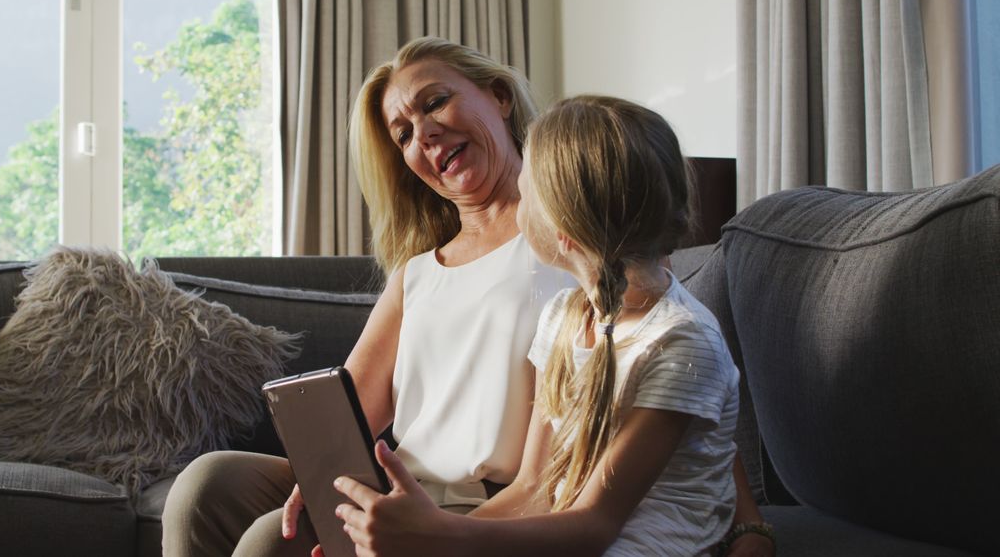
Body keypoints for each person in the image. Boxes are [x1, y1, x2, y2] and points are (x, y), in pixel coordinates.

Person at [162, 38, 772, 557]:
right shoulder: (423, 273)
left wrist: (747, 522)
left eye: (436, 102)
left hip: (488, 498)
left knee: (274, 541)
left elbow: (679, 382)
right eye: (402, 133)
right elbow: (337, 420)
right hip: (414, 481)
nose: (424, 132)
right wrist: (322, 476)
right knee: (206, 484)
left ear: (499, 97)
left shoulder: (585, 245)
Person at [332, 95, 769, 556]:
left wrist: (437, 537)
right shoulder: (564, 316)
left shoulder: (681, 341)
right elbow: (534, 489)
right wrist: (424, 542)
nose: (516, 193)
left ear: (563, 232)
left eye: (527, 185)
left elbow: (595, 527)